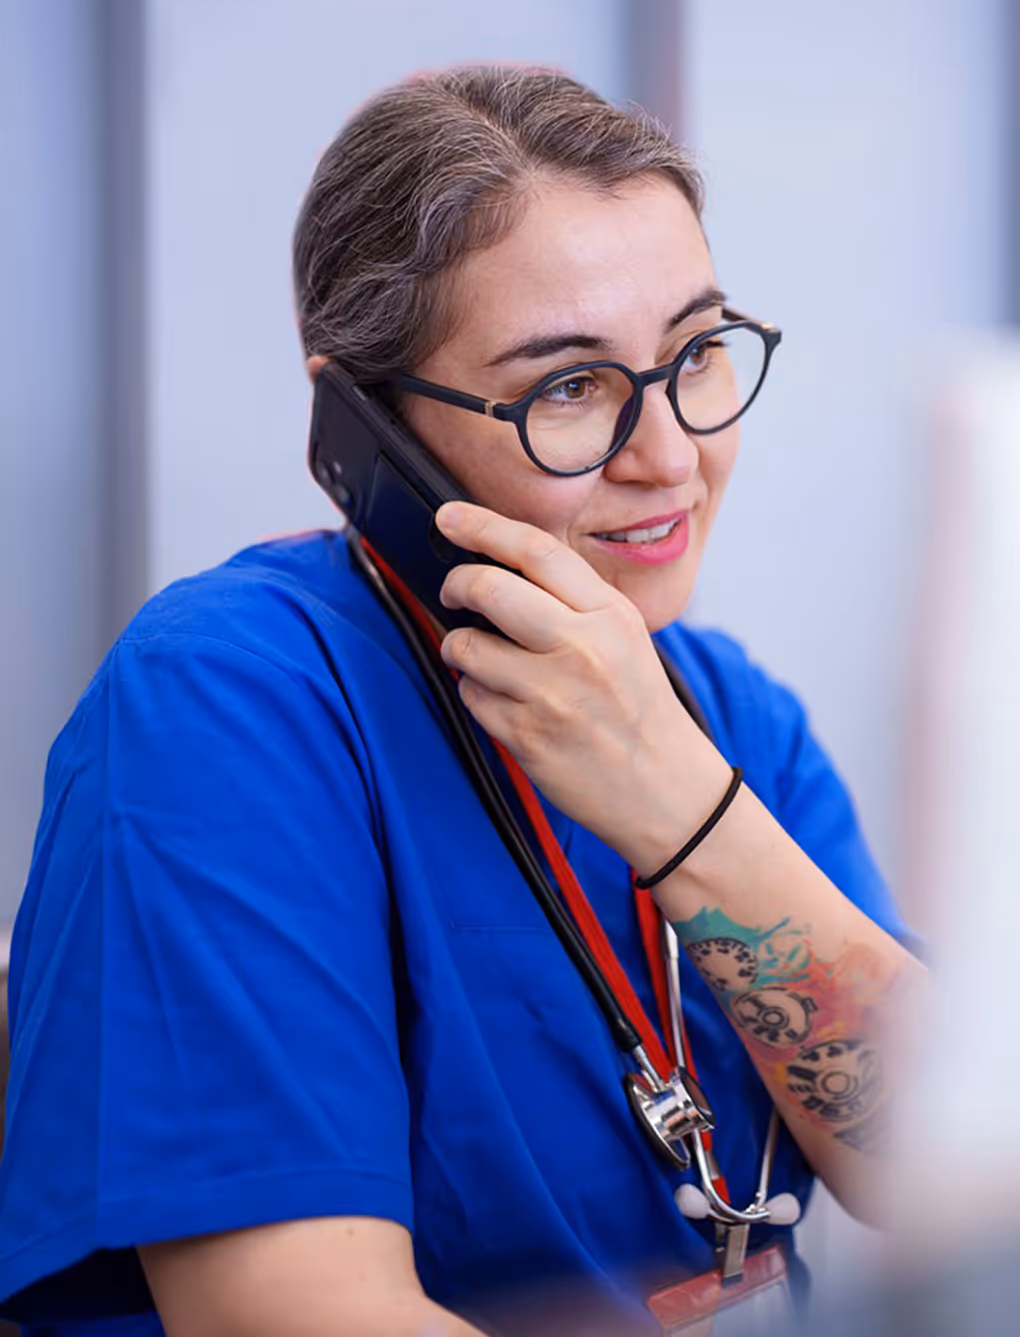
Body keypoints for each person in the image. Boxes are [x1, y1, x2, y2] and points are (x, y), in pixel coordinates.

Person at [0, 66, 921, 1336]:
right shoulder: (228, 705)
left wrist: (689, 814)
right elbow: (298, 1316)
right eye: (569, 387)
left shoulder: (728, 713)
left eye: (694, 353)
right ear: (369, 427)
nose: (669, 456)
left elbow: (939, 1166)